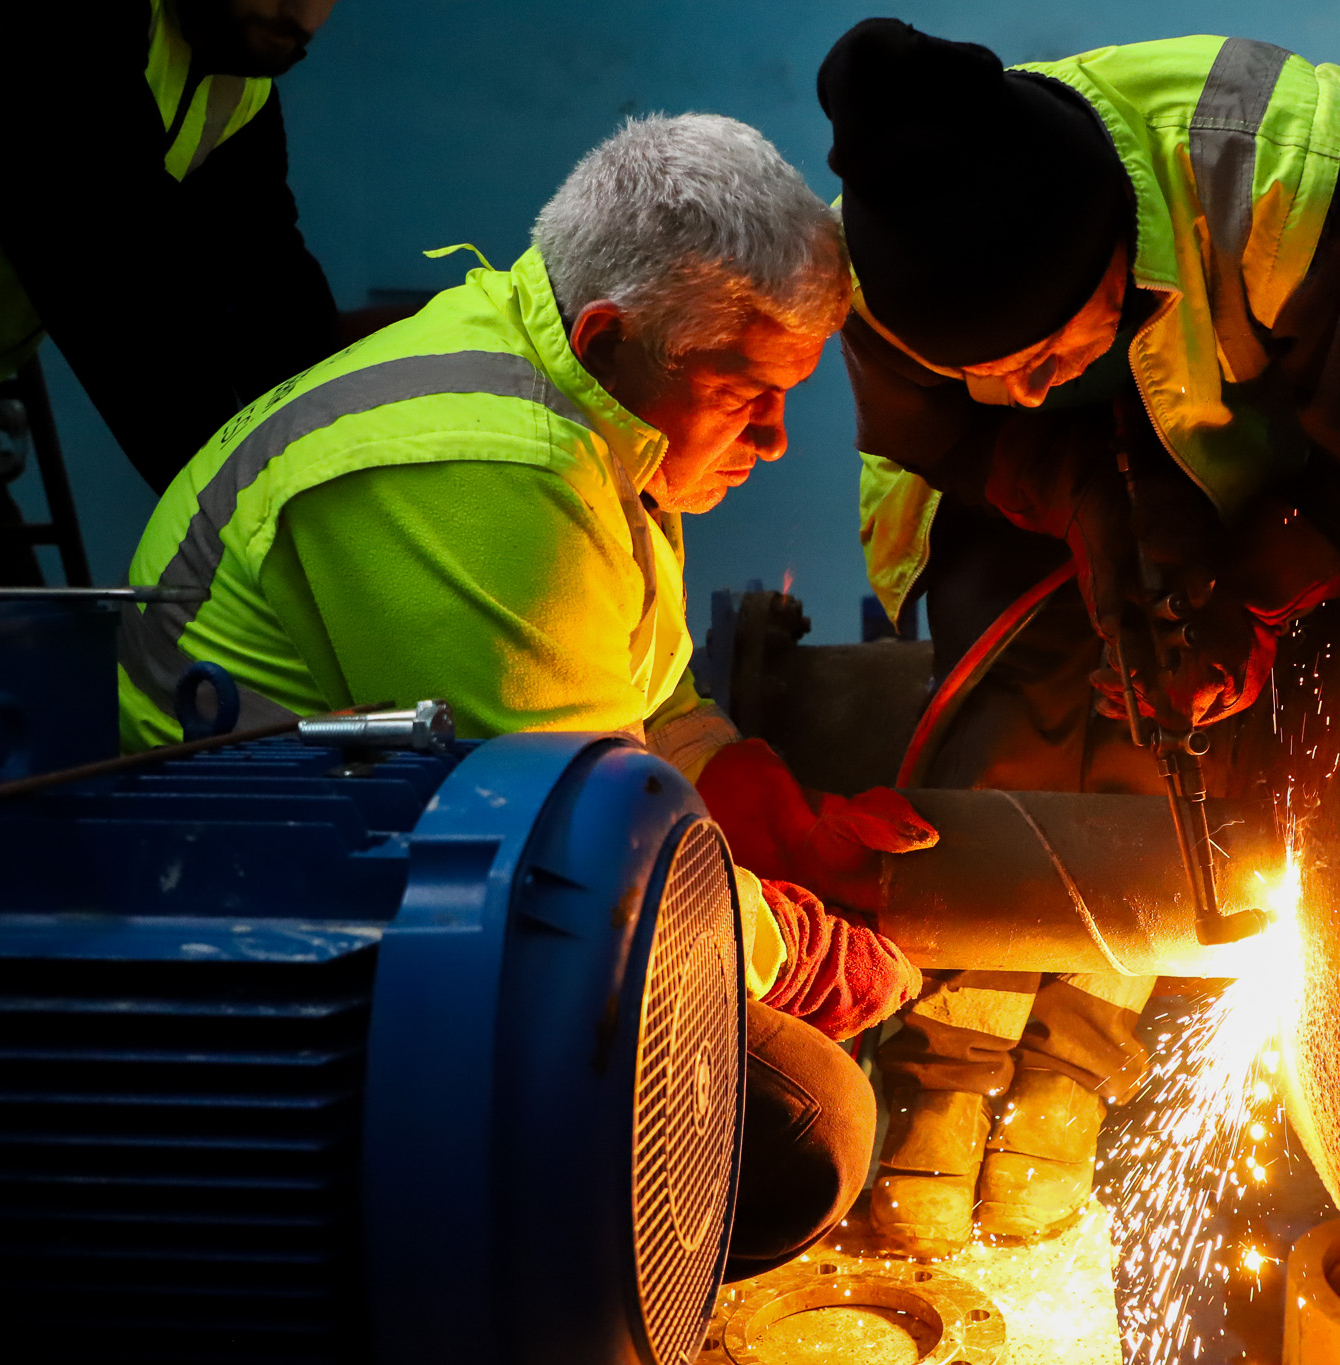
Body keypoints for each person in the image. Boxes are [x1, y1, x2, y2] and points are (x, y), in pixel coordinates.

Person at [117, 113, 930, 1279]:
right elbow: (591, 874)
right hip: (258, 916)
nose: (778, 436)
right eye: (746, 391)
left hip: (406, 840)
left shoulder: (593, 406)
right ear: (609, 336)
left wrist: (762, 806)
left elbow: (646, 706)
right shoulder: (486, 475)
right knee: (800, 1123)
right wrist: (794, 947)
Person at [817, 20, 1340, 1256]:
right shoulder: (876, 263)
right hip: (1009, 505)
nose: (1019, 382)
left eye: (1042, 354)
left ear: (1114, 261)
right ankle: (951, 1053)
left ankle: (1076, 1051)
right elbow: (941, 434)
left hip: (1273, 482)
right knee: (1010, 706)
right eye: (982, 368)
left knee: (1171, 716)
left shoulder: (1279, 167)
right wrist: (1061, 481)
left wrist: (1256, 593)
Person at [0, 0, 387, 583]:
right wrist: (267, 533)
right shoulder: (54, 21)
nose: (302, 7)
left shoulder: (234, 82)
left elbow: (270, 295)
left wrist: (353, 483)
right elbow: (117, 285)